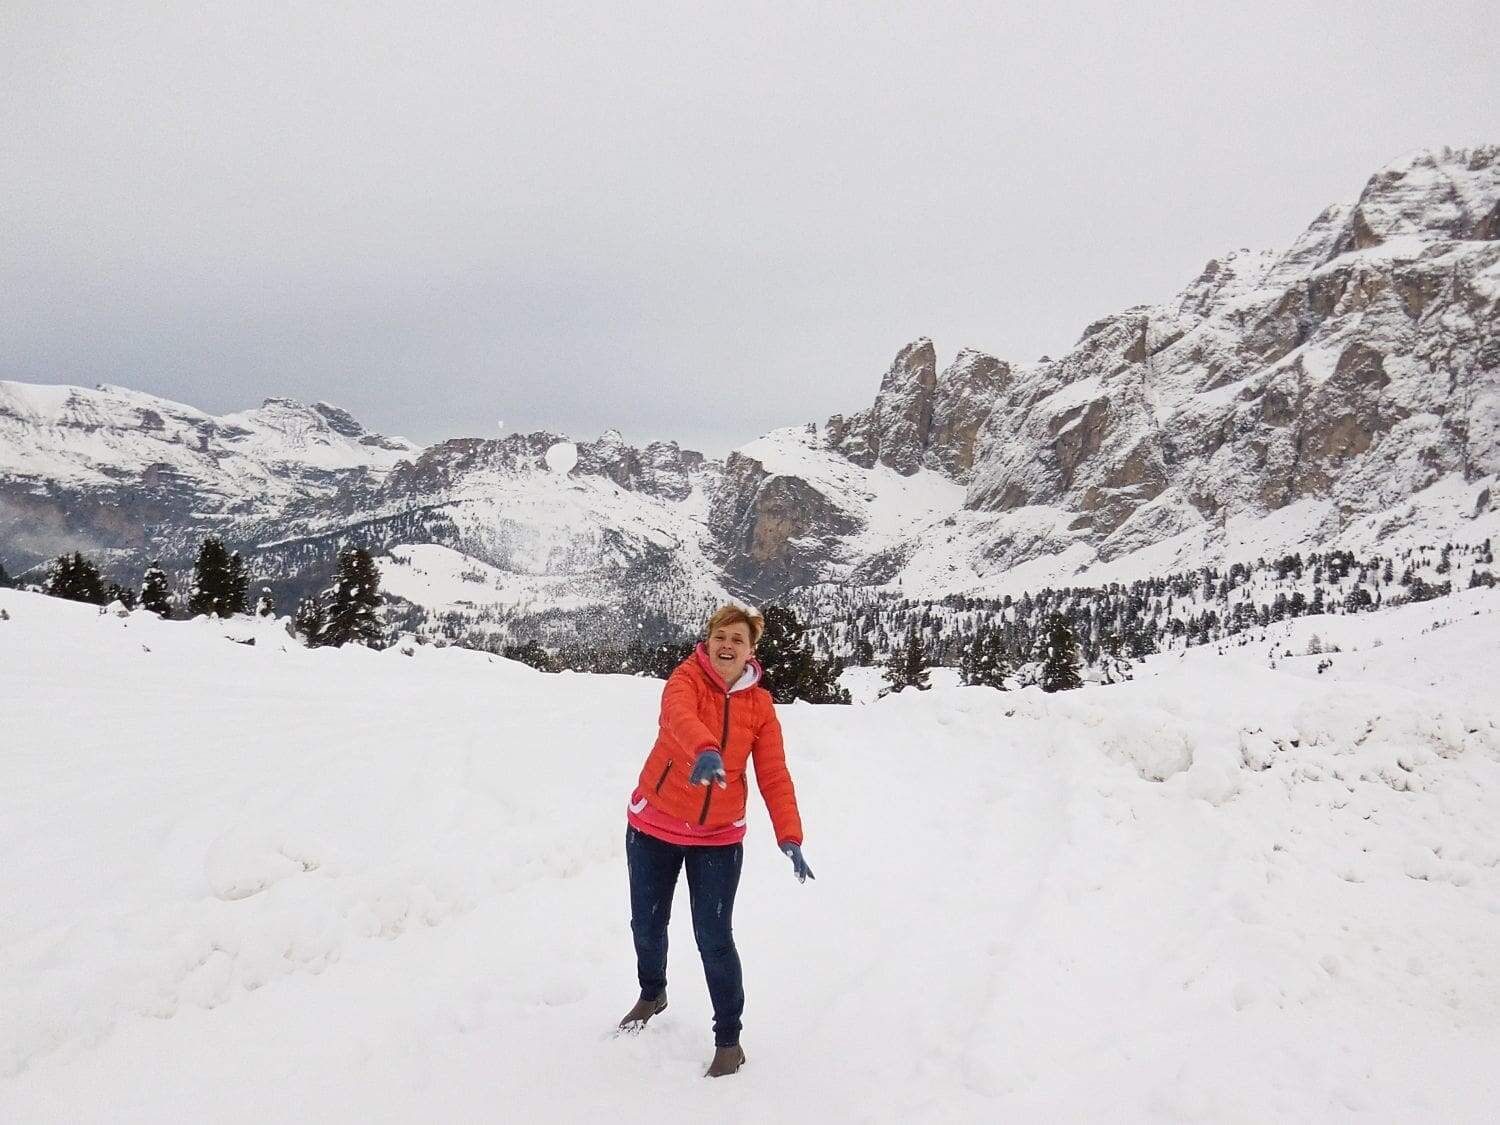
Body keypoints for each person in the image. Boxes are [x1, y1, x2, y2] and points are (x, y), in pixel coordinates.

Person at [618, 604, 814, 1077]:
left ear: (752, 650)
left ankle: (729, 1038)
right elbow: (678, 717)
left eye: (738, 639)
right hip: (654, 825)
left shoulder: (760, 708)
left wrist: (790, 835)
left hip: (719, 839)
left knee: (714, 938)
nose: (727, 645)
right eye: (720, 635)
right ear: (708, 640)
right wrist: (705, 748)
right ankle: (652, 993)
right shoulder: (684, 679)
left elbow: (773, 773)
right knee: (647, 924)